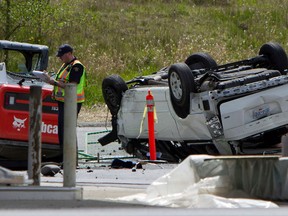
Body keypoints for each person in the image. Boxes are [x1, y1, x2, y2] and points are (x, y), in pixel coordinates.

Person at [44, 44, 86, 161]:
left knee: (68, 130)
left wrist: (53, 82)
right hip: (63, 102)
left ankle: (71, 160)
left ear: (69, 54)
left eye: (61, 56)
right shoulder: (65, 65)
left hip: (73, 102)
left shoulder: (77, 67)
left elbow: (71, 86)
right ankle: (65, 158)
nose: (60, 58)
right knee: (62, 130)